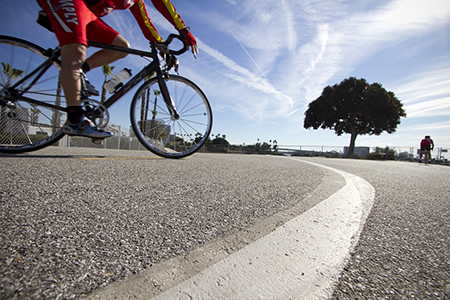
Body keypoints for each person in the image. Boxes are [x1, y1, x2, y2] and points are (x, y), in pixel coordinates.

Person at [36, 0, 198, 139]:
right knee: (76, 52)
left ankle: (80, 72)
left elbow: (146, 23)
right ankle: (75, 120)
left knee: (121, 47)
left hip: (85, 11)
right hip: (70, 3)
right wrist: (183, 29)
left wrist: (163, 49)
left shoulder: (135, 2)